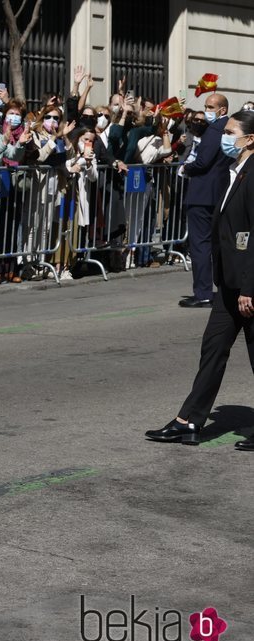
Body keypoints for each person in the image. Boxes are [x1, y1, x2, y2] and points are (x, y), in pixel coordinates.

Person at [145, 110, 254, 450]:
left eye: (231, 132)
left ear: (249, 139)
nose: (225, 137)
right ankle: (189, 420)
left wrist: (249, 287)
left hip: (248, 286)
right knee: (213, 349)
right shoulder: (232, 172)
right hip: (229, 283)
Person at [180, 93, 233, 308]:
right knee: (215, 244)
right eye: (206, 106)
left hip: (203, 194)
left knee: (200, 245)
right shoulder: (228, 129)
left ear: (222, 109)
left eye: (211, 106)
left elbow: (203, 162)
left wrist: (186, 168)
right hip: (217, 193)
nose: (207, 110)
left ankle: (203, 292)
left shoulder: (215, 129)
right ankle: (222, 289)